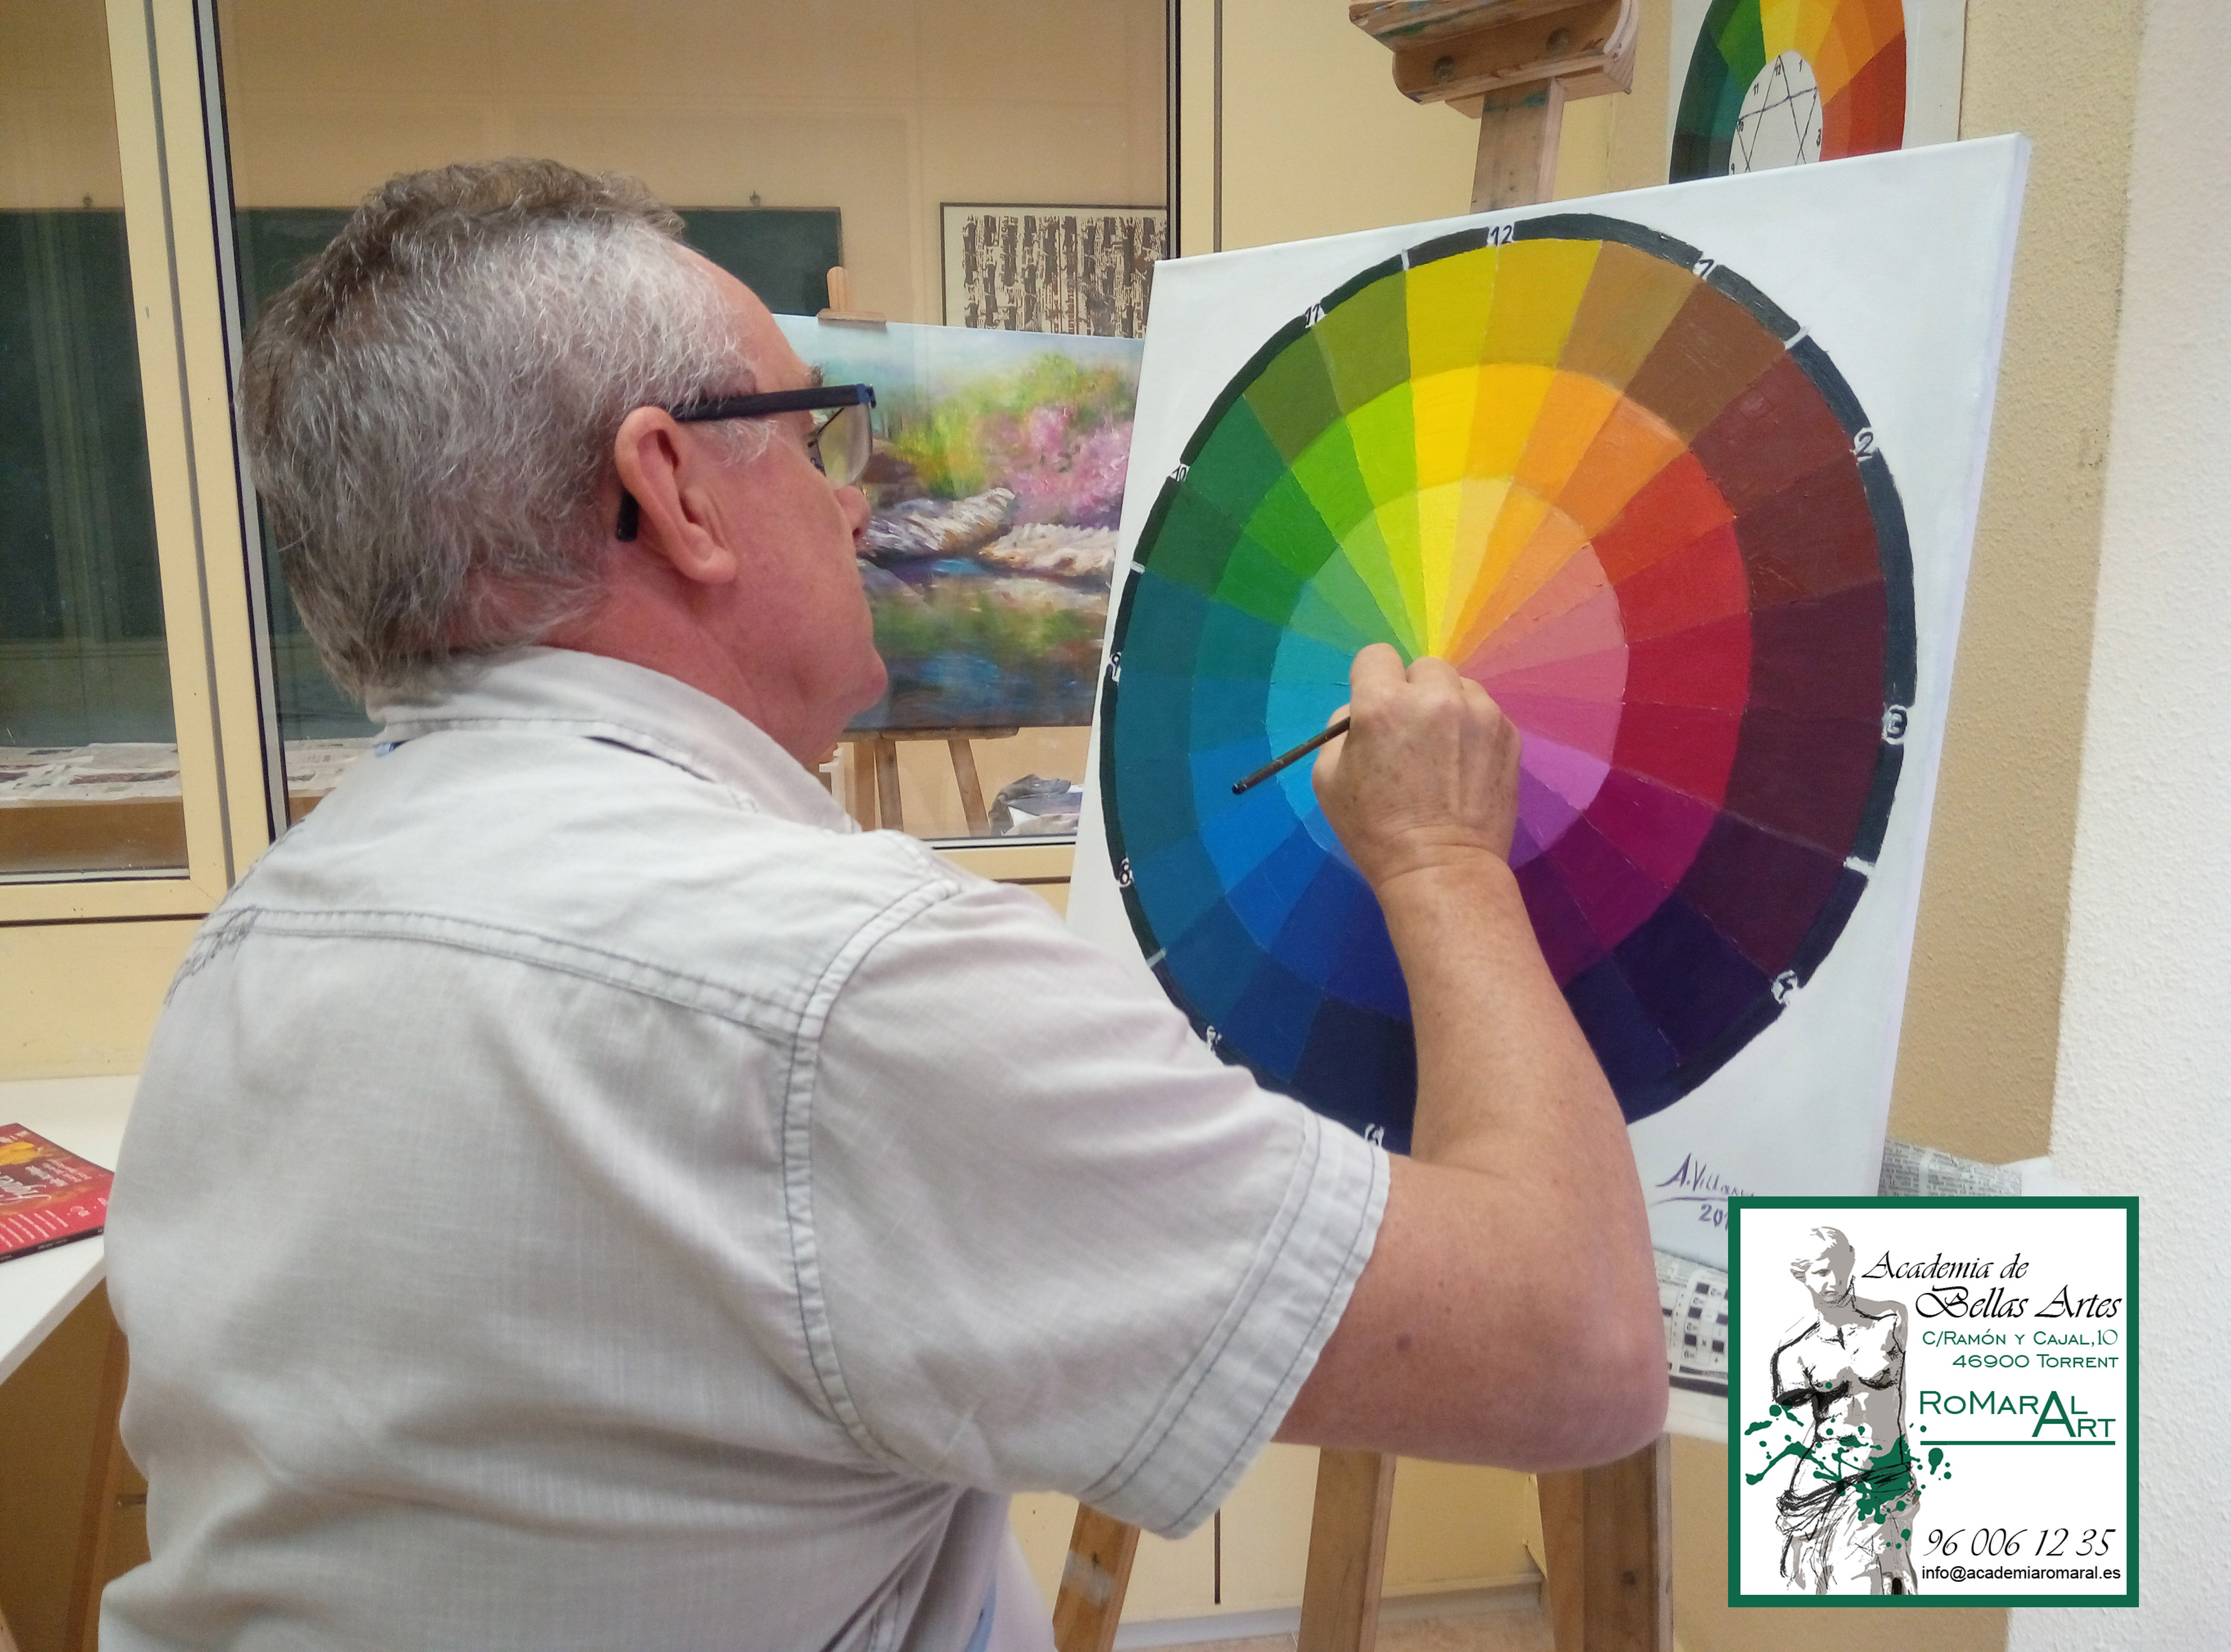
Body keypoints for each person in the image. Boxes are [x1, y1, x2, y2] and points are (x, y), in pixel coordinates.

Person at [102, 160, 1664, 1652]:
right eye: (817, 440)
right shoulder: (832, 988)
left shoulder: (258, 933)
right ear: (672, 489)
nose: (857, 508)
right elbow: (1575, 1344)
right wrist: (1441, 855)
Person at [1768, 1226, 1920, 1594]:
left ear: (1851, 1261)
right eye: (1821, 1272)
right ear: (1802, 1276)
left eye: (1839, 1267)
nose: (1834, 1280)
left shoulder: (1891, 1322)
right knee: (1814, 1589)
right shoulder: (1793, 1355)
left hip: (1885, 1480)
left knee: (1882, 1590)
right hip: (1817, 1488)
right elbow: (1800, 1430)